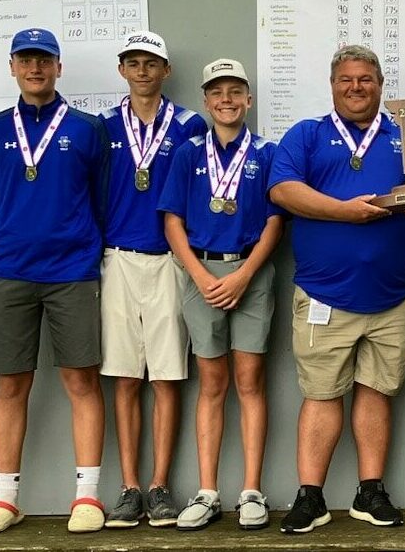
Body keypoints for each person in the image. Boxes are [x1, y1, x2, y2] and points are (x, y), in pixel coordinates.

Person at [269, 45, 405, 534]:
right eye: (346, 79)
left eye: (366, 79)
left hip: (393, 295)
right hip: (325, 295)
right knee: (321, 395)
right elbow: (283, 191)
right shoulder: (307, 135)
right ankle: (310, 497)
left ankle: (370, 492)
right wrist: (345, 210)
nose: (356, 87)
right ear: (332, 84)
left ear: (381, 85)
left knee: (376, 392)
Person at [0, 28, 110, 534]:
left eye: (44, 60)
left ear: (58, 67)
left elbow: (101, 200)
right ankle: (6, 500)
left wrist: (78, 249)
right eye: (26, 60)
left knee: (81, 379)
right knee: (11, 383)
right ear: (12, 67)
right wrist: (8, 243)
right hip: (9, 272)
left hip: (72, 273)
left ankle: (87, 497)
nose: (35, 69)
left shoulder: (88, 129)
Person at [158, 58, 284, 531]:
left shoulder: (266, 153)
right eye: (217, 92)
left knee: (250, 381)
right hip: (200, 274)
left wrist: (244, 275)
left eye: (235, 91)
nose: (226, 100)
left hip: (250, 273)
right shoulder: (189, 153)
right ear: (207, 101)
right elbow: (172, 220)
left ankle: (252, 490)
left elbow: (275, 220)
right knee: (211, 384)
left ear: (248, 100)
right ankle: (208, 490)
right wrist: (200, 275)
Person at [98, 31, 207, 528]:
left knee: (166, 375)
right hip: (117, 258)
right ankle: (129, 487)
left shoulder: (189, 124)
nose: (142, 71)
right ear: (122, 69)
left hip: (169, 260)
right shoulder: (101, 128)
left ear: (166, 70)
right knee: (124, 377)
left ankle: (161, 485)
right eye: (133, 62)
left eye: (152, 63)